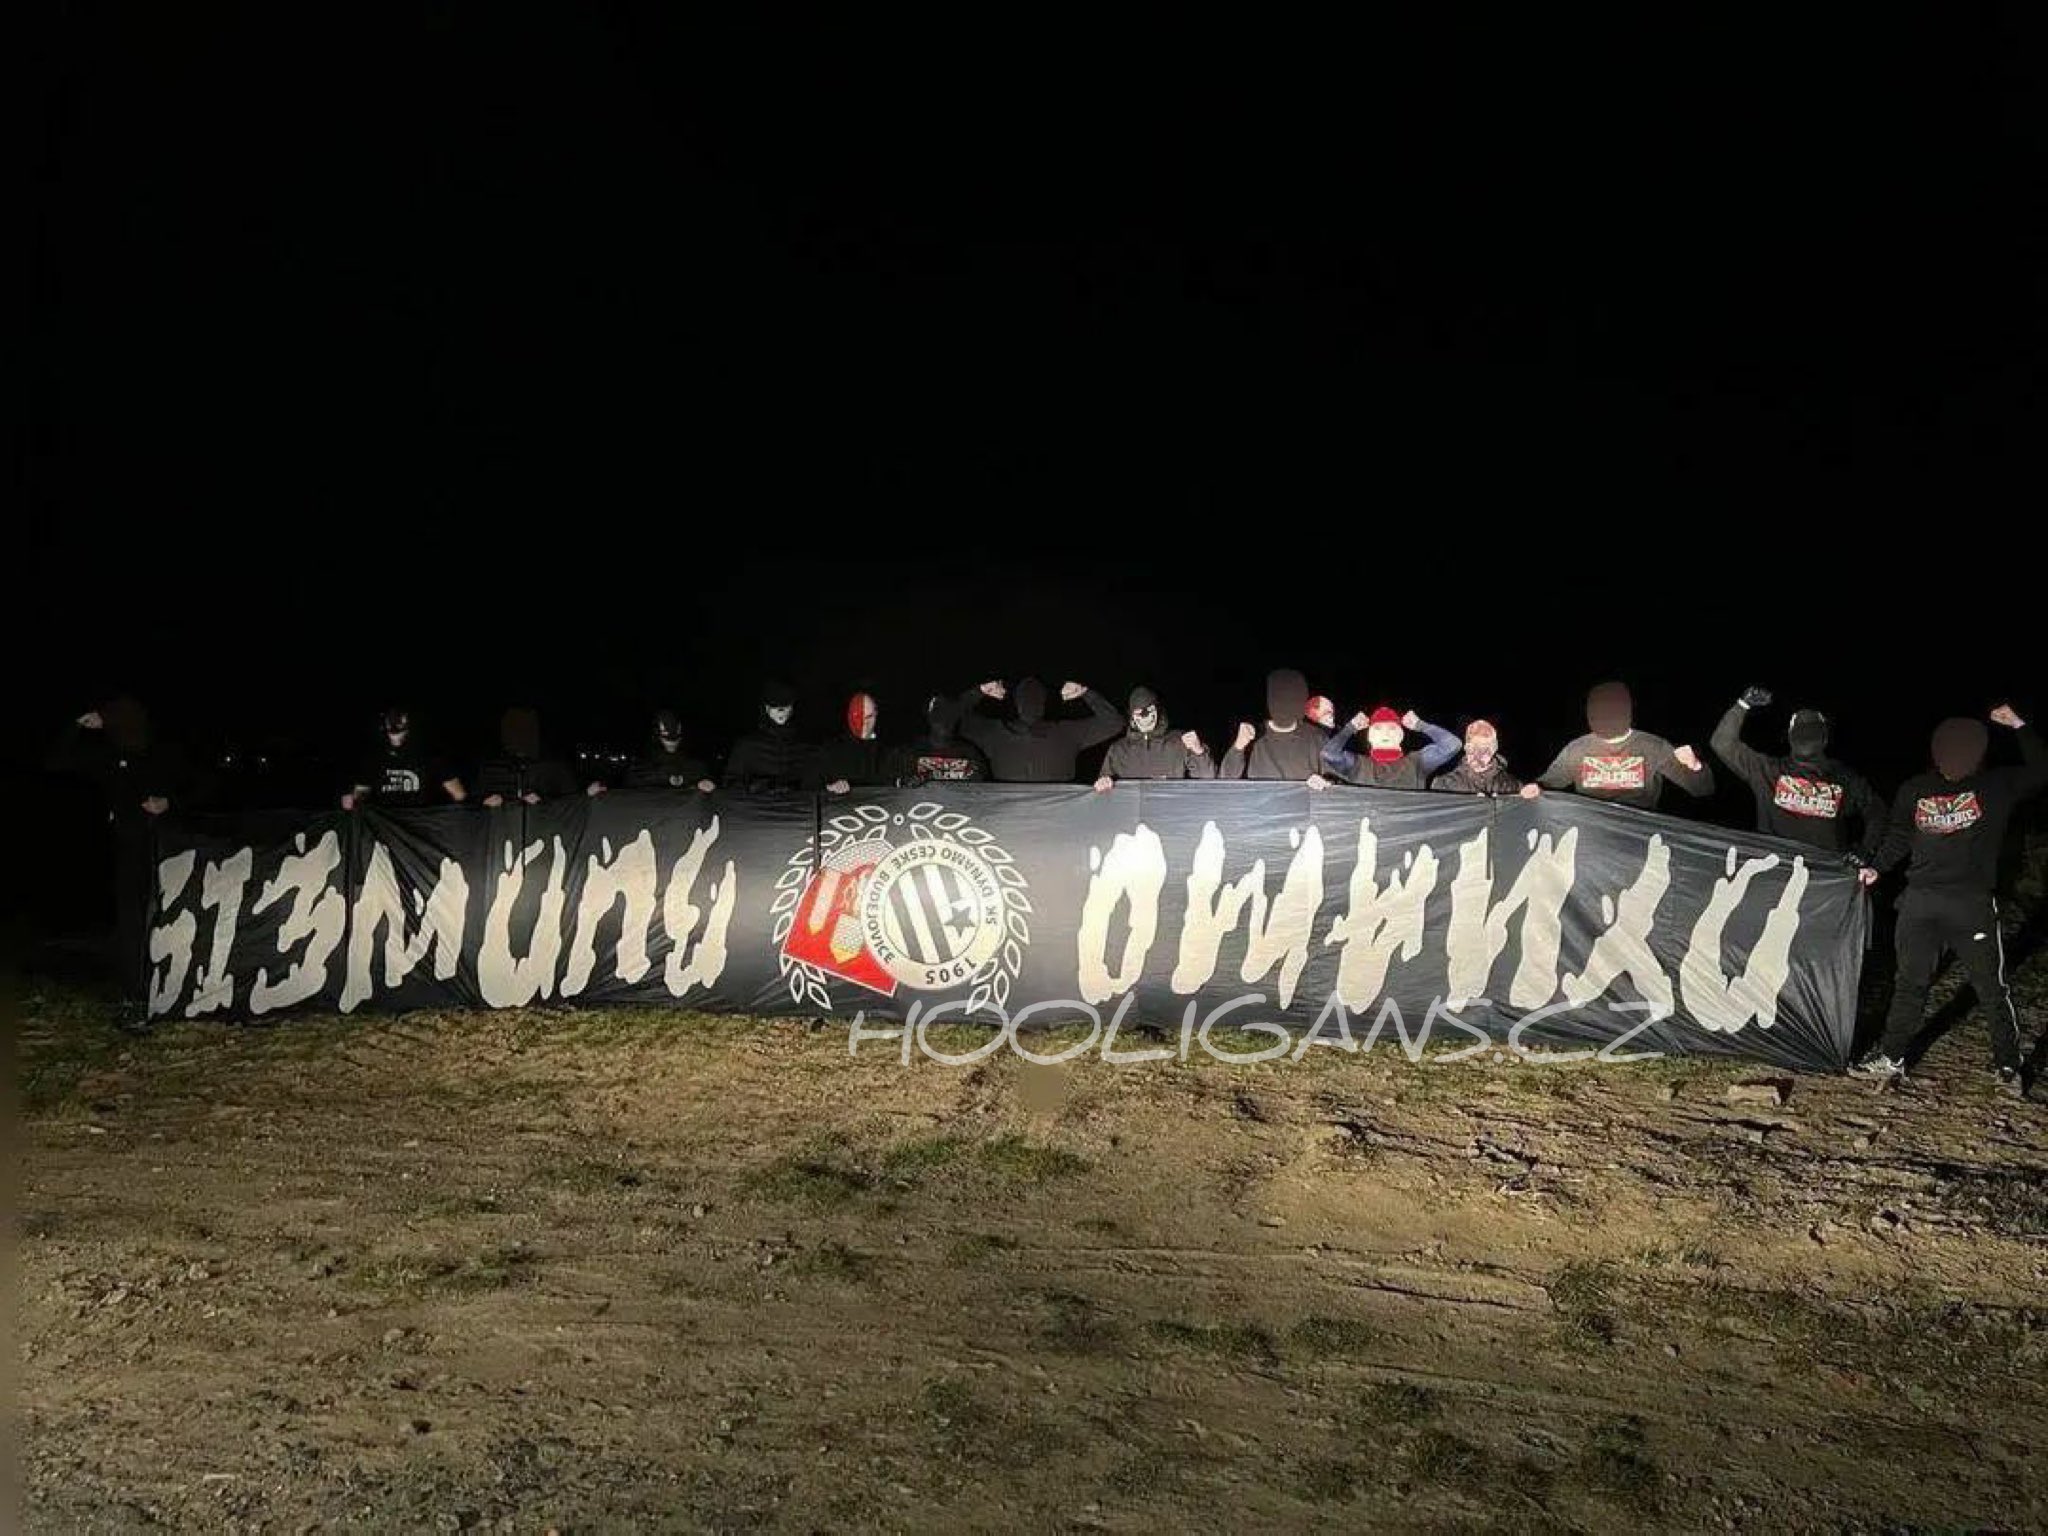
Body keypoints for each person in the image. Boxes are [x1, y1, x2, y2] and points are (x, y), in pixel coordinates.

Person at [1853, 706, 2047, 1094]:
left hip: (1971, 906)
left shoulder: (1995, 786)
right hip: (1919, 904)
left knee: (1990, 987)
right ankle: (1892, 1057)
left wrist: (2021, 727)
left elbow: (2042, 770)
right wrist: (1876, 868)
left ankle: (2008, 1065)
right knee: (1909, 983)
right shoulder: (1915, 789)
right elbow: (1899, 836)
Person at [46, 698, 184, 1002]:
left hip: (169, 849)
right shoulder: (110, 756)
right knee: (131, 920)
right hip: (127, 848)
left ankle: (167, 985)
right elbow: (58, 761)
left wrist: (169, 803)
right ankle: (136, 991)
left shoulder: (161, 751)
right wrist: (77, 726)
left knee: (165, 916)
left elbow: (199, 784)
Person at [1708, 686, 1882, 852]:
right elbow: (1877, 813)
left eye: (1811, 732)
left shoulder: (1767, 770)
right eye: (1803, 732)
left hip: (1823, 879)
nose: (1806, 738)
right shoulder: (1768, 770)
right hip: (1782, 875)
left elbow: (1877, 812)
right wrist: (1865, 851)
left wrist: (1742, 705)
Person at [1536, 681, 1714, 810]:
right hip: (1592, 828)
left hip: (1638, 830)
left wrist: (1694, 765)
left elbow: (1703, 789)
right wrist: (1534, 789)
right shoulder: (1577, 749)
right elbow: (1547, 784)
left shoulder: (1653, 746)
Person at [955, 677, 1122, 783]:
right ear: (1043, 705)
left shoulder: (995, 733)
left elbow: (952, 719)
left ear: (1017, 705)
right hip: (1055, 819)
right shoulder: (1067, 732)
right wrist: (1085, 693)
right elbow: (1114, 723)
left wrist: (979, 692)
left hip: (1008, 816)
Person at [1220, 668, 1332, 785]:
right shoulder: (1251, 736)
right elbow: (1225, 779)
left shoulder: (1317, 738)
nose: (1285, 703)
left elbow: (1337, 782)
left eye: (1292, 697)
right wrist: (1238, 747)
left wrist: (1325, 783)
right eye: (1280, 696)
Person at [342, 708, 466, 810]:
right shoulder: (374, 759)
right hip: (387, 827)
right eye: (391, 718)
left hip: (423, 826)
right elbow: (360, 795)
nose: (395, 723)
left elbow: (460, 795)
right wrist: (353, 801)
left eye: (400, 718)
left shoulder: (431, 756)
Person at [1093, 686, 1215, 789]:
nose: (1145, 717)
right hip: (1130, 814)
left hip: (1168, 813)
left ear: (1158, 711)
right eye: (1139, 712)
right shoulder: (1118, 749)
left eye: (1150, 710)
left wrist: (1199, 752)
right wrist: (1103, 783)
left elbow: (1207, 778)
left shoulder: (1179, 741)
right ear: (1131, 716)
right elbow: (1102, 787)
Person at [1322, 705, 1462, 790]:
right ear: (1370, 737)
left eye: (1392, 728)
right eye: (1378, 728)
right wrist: (1350, 728)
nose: (1385, 733)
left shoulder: (1417, 763)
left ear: (1401, 736)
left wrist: (1421, 725)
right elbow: (1329, 754)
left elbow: (1452, 745)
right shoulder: (1358, 764)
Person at [722, 681, 820, 794]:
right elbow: (731, 783)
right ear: (766, 708)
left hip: (797, 808)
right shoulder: (747, 746)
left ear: (792, 707)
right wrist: (757, 788)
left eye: (785, 705)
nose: (780, 711)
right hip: (759, 809)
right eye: (774, 706)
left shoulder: (807, 746)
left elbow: (818, 782)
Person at [475, 707, 584, 806]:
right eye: (513, 727)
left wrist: (542, 803)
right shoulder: (490, 767)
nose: (520, 734)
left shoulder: (554, 766)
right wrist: (484, 803)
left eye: (527, 726)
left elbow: (572, 804)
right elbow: (473, 804)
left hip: (542, 825)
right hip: (502, 825)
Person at [888, 694, 989, 786]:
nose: (944, 721)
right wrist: (905, 783)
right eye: (938, 713)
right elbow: (889, 789)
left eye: (950, 715)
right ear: (929, 717)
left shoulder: (971, 753)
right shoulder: (908, 752)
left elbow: (984, 789)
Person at [1431, 718, 1541, 798]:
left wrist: (1533, 795)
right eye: (1472, 748)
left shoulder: (1510, 786)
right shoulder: (1443, 785)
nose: (1476, 755)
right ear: (1466, 748)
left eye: (1483, 750)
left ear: (1493, 750)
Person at [622, 709, 714, 793]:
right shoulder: (641, 762)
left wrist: (704, 782)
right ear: (656, 736)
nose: (672, 742)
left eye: (676, 737)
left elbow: (703, 776)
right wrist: (666, 778)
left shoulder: (694, 762)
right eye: (666, 737)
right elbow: (632, 782)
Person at [818, 691, 890, 794]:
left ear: (876, 714)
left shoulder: (886, 749)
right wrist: (830, 788)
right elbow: (808, 788)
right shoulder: (831, 750)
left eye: (869, 717)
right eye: (858, 716)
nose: (864, 723)